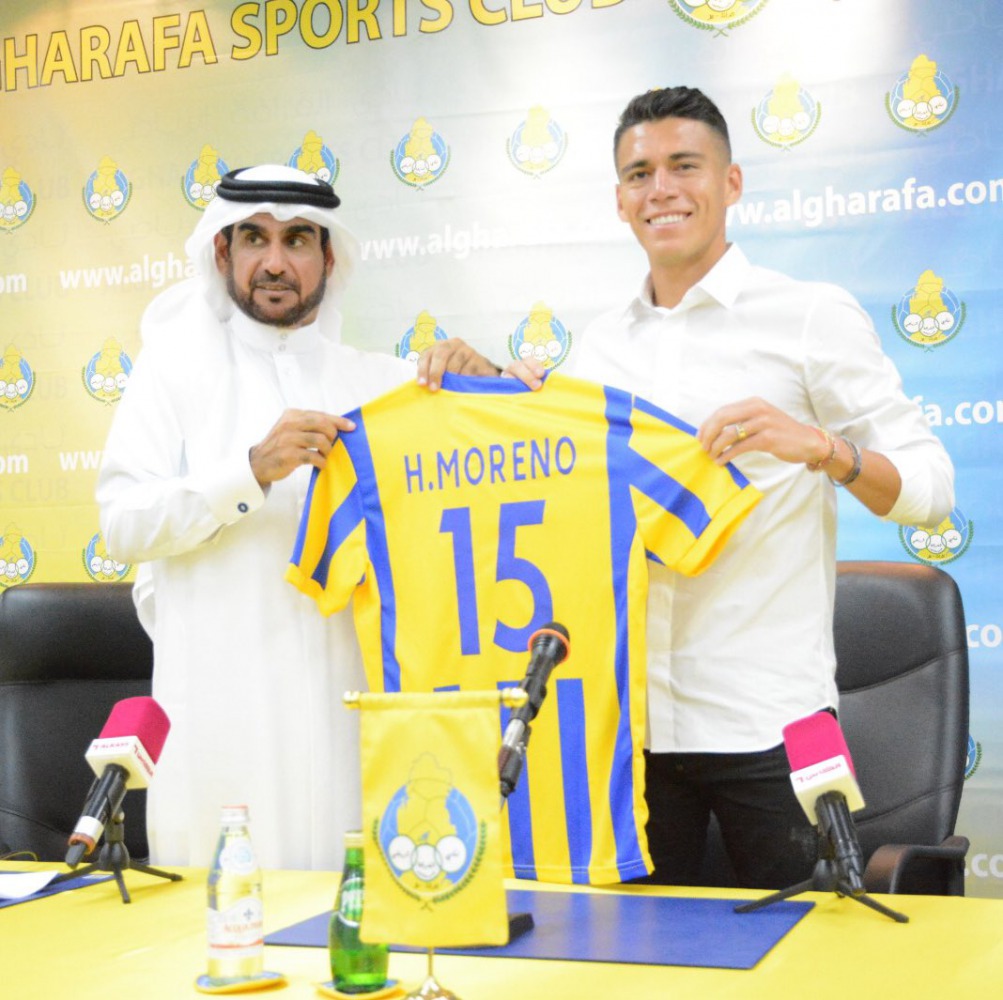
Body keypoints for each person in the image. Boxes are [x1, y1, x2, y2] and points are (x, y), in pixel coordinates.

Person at [507, 87, 955, 888]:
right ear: (619, 200)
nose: (662, 190)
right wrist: (505, 405)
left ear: (732, 182)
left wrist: (821, 447)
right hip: (635, 733)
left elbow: (929, 492)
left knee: (804, 962)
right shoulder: (597, 352)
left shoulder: (809, 316)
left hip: (776, 727)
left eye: (685, 166)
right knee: (635, 965)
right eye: (639, 173)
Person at [96, 164, 495, 869]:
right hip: (220, 722)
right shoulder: (169, 376)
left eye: (298, 239)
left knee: (350, 934)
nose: (274, 262)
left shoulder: (384, 384)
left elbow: (499, 474)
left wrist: (482, 385)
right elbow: (122, 525)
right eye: (253, 238)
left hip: (348, 727)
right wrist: (249, 469)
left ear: (329, 257)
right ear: (222, 253)